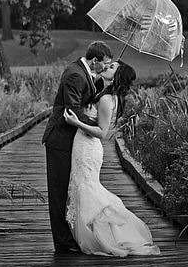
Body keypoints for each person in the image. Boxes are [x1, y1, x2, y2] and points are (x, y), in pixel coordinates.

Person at [63, 60, 160, 256]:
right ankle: (92, 231)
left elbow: (102, 132)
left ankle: (106, 234)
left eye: (112, 67)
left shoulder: (108, 100)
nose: (107, 66)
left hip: (88, 147)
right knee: (82, 186)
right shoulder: (103, 93)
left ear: (118, 76)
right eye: (109, 64)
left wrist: (75, 122)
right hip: (82, 145)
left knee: (87, 187)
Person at [42, 41, 113, 253]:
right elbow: (72, 109)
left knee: (68, 189)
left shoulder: (85, 74)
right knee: (59, 191)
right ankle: (63, 243)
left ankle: (70, 237)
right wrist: (98, 126)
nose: (107, 66)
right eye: (106, 63)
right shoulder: (75, 74)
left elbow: (86, 99)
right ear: (94, 61)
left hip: (72, 140)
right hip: (60, 140)